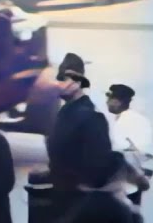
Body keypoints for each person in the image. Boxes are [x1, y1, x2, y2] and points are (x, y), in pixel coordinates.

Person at [45, 53, 124, 208]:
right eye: (59, 79)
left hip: (80, 208)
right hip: (62, 202)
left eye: (65, 78)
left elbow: (98, 172)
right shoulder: (63, 114)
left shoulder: (92, 118)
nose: (60, 84)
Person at [106, 83, 153, 223]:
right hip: (123, 182)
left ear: (121, 100)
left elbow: (140, 153)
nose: (108, 102)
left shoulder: (134, 122)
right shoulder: (122, 120)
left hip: (129, 183)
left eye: (111, 98)